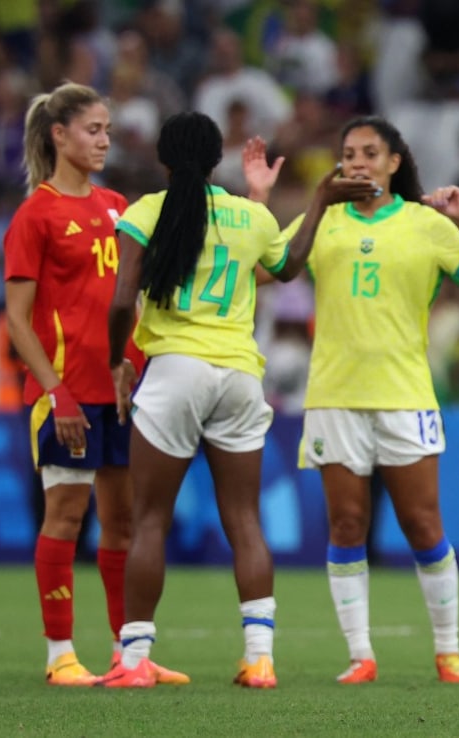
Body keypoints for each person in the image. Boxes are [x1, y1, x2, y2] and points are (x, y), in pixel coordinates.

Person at [95, 112, 376, 688]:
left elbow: (123, 298)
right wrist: (317, 201)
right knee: (245, 521)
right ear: (217, 160)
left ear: (163, 159)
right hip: (240, 376)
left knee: (148, 521)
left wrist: (116, 358)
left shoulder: (145, 212)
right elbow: (291, 266)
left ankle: (133, 662)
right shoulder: (250, 216)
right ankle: (259, 658)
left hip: (174, 370)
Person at [285, 116, 459, 685]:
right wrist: (300, 202)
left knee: (422, 522)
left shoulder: (423, 223)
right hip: (334, 395)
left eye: (369, 153)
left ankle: (448, 649)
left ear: (393, 162)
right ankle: (360, 654)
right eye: (348, 153)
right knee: (347, 523)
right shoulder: (325, 220)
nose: (357, 162)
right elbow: (275, 268)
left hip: (405, 393)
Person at [2, 82, 184, 687]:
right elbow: (18, 321)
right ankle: (59, 655)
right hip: (67, 396)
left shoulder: (116, 205)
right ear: (60, 135)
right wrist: (56, 392)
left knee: (124, 523)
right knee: (65, 517)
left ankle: (124, 654)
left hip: (120, 393)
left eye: (107, 129)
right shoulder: (36, 214)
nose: (106, 139)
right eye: (94, 129)